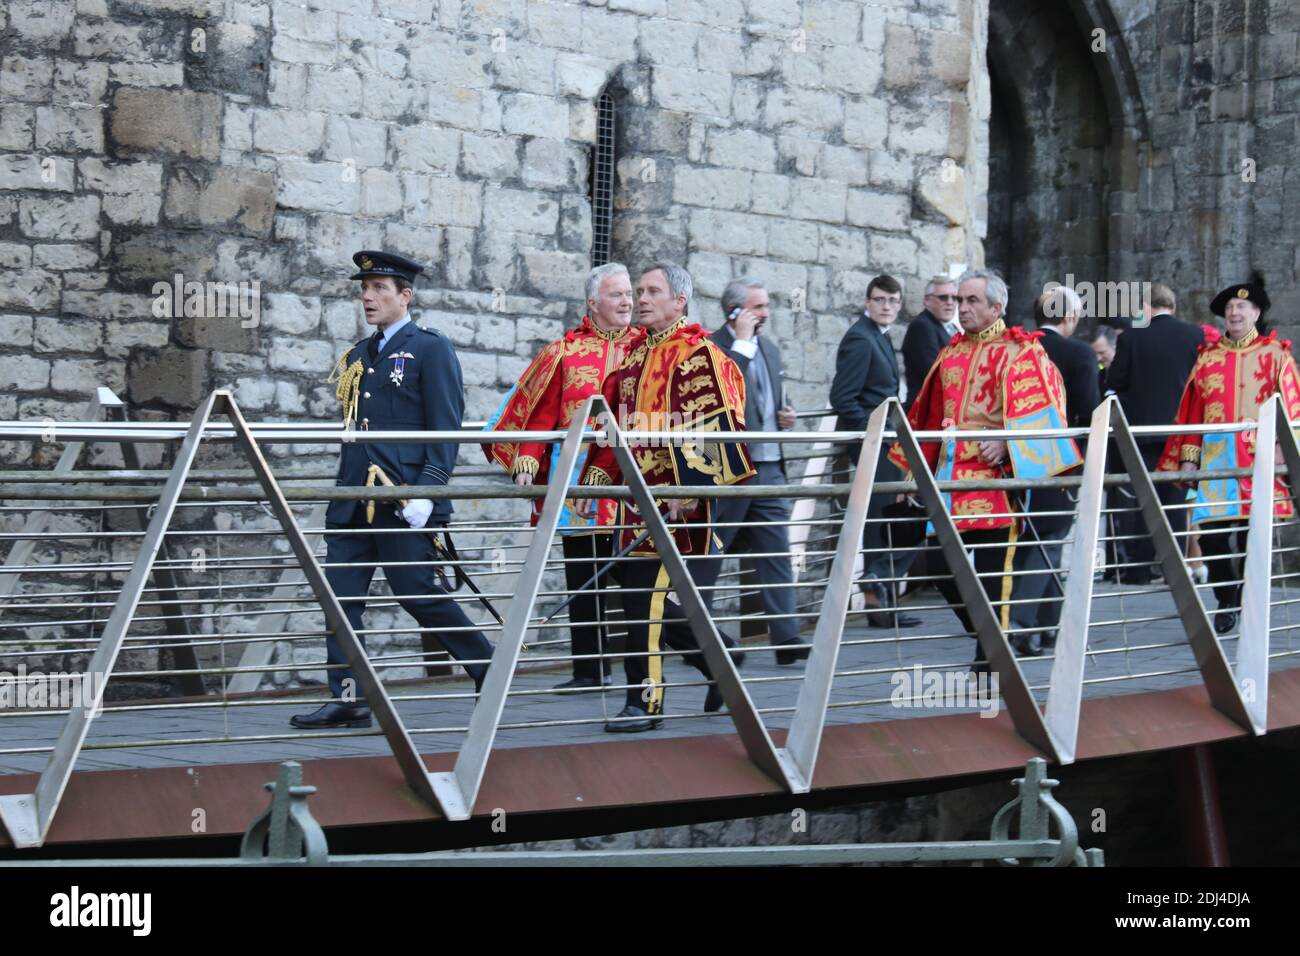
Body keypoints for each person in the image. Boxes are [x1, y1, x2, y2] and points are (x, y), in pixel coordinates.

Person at [292, 251, 495, 729]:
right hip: (352, 501)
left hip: (404, 499)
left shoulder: (430, 348)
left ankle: (489, 670)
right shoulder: (360, 356)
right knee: (339, 598)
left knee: (418, 593)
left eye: (380, 288)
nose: (368, 296)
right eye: (365, 288)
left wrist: (430, 490)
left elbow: (445, 426)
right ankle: (348, 696)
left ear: (406, 296)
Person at [575, 262, 754, 732]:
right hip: (637, 501)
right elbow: (617, 430)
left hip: (678, 502)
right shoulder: (633, 360)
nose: (642, 298)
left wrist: (687, 490)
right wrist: (595, 478)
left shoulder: (699, 356)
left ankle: (644, 701)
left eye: (653, 291)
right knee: (633, 588)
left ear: (680, 301)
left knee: (642, 596)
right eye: (639, 290)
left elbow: (718, 424)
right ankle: (719, 659)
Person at [888, 270, 1081, 668]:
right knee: (940, 564)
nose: (962, 308)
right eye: (959, 300)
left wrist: (1009, 441)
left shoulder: (1022, 351)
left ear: (997, 307)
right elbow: (927, 417)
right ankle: (989, 634)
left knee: (996, 574)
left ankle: (988, 660)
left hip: (996, 482)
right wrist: (913, 473)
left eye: (972, 301)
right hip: (951, 479)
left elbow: (1048, 412)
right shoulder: (951, 352)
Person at [482, 262, 644, 689]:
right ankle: (590, 672)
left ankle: (684, 652)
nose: (628, 301)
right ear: (593, 303)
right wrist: (528, 458)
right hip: (577, 487)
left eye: (629, 293)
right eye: (616, 295)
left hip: (633, 486)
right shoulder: (566, 353)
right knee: (581, 576)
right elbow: (540, 415)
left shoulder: (648, 350)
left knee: (632, 576)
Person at [1158, 276, 1300, 634]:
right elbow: (1192, 410)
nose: (1235, 312)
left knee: (1254, 534)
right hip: (1218, 461)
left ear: (1256, 313)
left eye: (1242, 307)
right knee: (1214, 537)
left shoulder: (1276, 355)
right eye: (1230, 308)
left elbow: (1293, 406)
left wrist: (1284, 448)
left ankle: (1247, 599)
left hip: (1260, 459)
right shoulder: (1208, 358)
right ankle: (1226, 596)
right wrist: (1188, 457)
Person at [709, 278, 807, 665]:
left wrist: (786, 415)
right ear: (734, 311)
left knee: (775, 553)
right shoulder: (714, 348)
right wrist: (742, 344)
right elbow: (722, 393)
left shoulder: (769, 348)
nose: (766, 313)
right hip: (731, 471)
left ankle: (787, 638)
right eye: (758, 307)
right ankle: (699, 637)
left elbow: (766, 398)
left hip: (770, 468)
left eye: (766, 306)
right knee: (711, 556)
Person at [1006, 287, 1098, 655]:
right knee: (1046, 536)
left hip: (1013, 456)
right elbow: (1090, 411)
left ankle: (1048, 625)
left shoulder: (1015, 348)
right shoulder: (1078, 353)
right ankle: (1022, 624)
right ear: (1070, 317)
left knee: (1043, 537)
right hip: (1060, 460)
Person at [830, 274, 921, 627]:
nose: (886, 307)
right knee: (891, 517)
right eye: (880, 300)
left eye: (893, 302)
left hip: (887, 444)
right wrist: (873, 437)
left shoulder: (877, 336)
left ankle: (878, 593)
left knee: (890, 518)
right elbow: (843, 399)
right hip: (875, 445)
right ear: (868, 302)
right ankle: (877, 587)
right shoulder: (860, 339)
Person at [1105, 283, 1205, 583]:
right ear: (1172, 307)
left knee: (1142, 497)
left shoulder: (1132, 337)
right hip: (1181, 430)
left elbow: (1116, 381)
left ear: (1147, 307)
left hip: (1143, 431)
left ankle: (1138, 568)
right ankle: (1172, 567)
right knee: (1174, 499)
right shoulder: (1194, 335)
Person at [902, 275, 961, 410]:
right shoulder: (922, 326)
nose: (950, 302)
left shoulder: (952, 328)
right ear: (927, 301)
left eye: (954, 298)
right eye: (943, 297)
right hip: (925, 410)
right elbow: (934, 372)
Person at [1091, 325, 1118, 395]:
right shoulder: (1097, 378)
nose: (1097, 358)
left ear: (1116, 348)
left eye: (1102, 352)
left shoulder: (1131, 377)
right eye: (1094, 353)